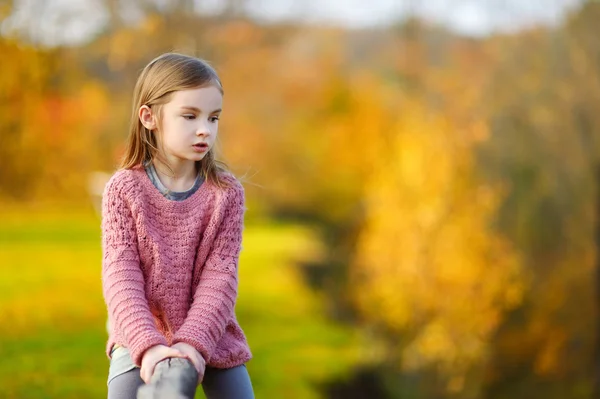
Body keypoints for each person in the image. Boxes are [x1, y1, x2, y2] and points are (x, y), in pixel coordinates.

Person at [101, 52, 254, 399]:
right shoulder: (124, 190)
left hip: (211, 334)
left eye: (213, 118)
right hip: (140, 335)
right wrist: (147, 346)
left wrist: (194, 343)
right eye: (190, 116)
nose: (205, 129)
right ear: (149, 117)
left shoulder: (226, 194)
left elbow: (221, 277)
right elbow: (121, 276)